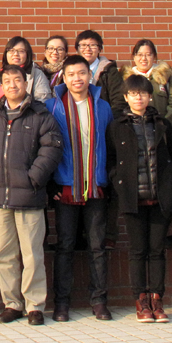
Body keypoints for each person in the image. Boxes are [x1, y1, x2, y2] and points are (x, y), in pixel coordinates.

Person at [0, 65, 63, 326]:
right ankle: (12, 304)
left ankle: (34, 306)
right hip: (0, 197)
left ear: (26, 84)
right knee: (4, 254)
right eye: (6, 81)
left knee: (32, 254)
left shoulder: (40, 114)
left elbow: (51, 148)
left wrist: (33, 178)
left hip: (30, 196)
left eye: (16, 80)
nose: (12, 85)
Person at [106, 75, 172, 323]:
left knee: (157, 251)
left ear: (150, 96)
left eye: (143, 93)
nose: (138, 97)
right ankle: (141, 301)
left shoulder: (162, 125)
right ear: (126, 97)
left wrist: (171, 181)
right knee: (137, 251)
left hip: (160, 197)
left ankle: (157, 300)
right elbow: (111, 160)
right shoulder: (117, 126)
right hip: (132, 198)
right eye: (133, 93)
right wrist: (119, 184)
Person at [45, 55, 114, 322]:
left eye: (82, 73)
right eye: (71, 74)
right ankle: (62, 303)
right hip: (65, 187)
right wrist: (51, 182)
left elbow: (110, 146)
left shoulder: (103, 107)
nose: (77, 78)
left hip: (96, 187)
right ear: (63, 77)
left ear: (90, 76)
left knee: (97, 246)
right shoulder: (52, 106)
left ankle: (99, 301)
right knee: (65, 246)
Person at [121, 39, 172, 129]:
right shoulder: (126, 78)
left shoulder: (164, 76)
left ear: (154, 57)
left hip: (164, 130)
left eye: (148, 55)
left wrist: (164, 125)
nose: (144, 59)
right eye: (140, 55)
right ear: (134, 57)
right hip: (134, 129)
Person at [74, 30, 125, 117]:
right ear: (77, 49)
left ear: (99, 49)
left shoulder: (109, 71)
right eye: (83, 45)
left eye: (92, 45)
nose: (87, 49)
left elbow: (119, 101)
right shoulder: (70, 70)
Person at [0, 37, 53, 103]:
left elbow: (43, 101)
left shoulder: (36, 74)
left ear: (27, 54)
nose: (15, 54)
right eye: (12, 50)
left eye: (21, 51)